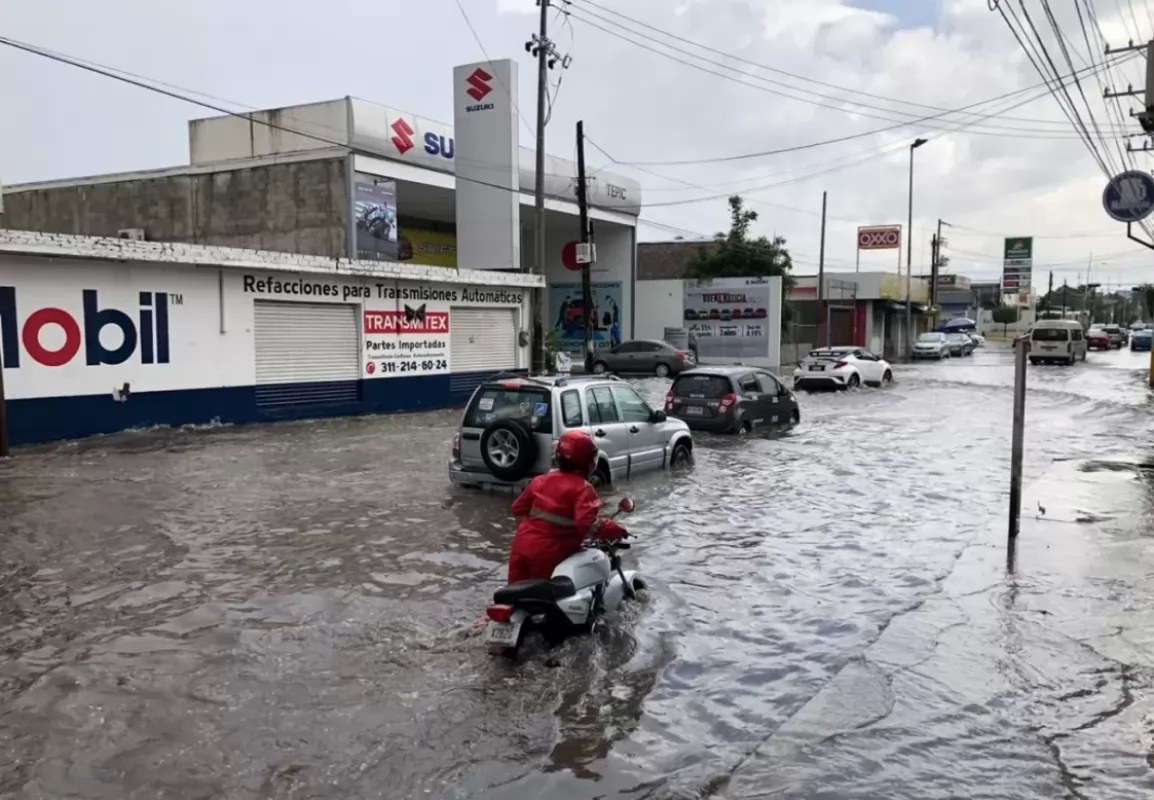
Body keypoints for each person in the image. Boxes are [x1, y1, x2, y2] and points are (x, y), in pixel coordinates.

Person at [506, 431, 628, 583]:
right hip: (550, 555)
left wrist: (535, 530)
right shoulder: (584, 488)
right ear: (590, 462)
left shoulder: (540, 480)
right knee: (549, 601)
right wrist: (618, 530)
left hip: (521, 547)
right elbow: (588, 524)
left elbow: (517, 509)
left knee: (513, 594)